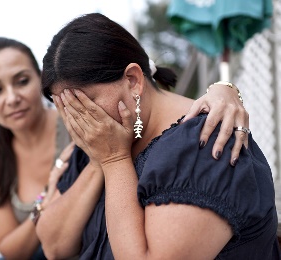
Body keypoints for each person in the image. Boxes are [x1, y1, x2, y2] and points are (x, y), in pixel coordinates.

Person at [37, 13, 280, 259]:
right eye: (65, 107)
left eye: (84, 103)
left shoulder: (203, 145)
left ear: (133, 81)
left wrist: (114, 161)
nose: (78, 120)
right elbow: (54, 246)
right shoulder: (98, 141)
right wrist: (99, 160)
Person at [0, 37, 74, 259]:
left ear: (40, 79)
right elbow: (9, 248)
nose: (12, 98)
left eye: (22, 81)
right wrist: (44, 202)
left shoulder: (74, 127)